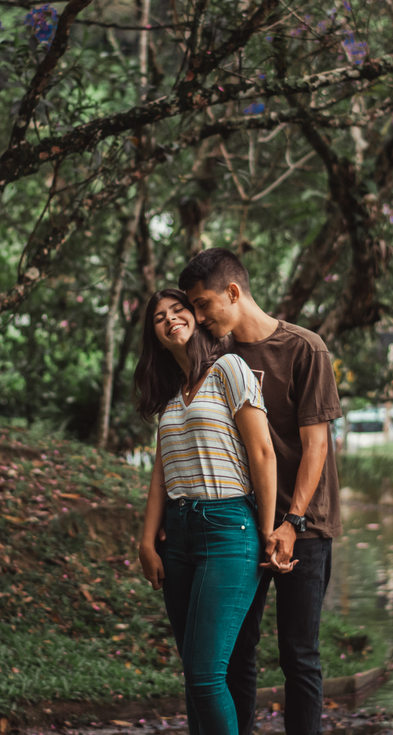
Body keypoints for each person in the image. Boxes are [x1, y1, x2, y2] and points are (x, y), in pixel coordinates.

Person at [179, 248, 343, 735]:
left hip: (304, 527)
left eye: (205, 305)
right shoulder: (216, 359)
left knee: (299, 655)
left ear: (234, 292)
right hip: (241, 528)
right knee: (237, 652)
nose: (201, 318)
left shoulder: (304, 348)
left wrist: (291, 523)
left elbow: (316, 447)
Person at [133, 288, 284, 735]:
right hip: (177, 537)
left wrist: (267, 529)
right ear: (155, 335)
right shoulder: (170, 396)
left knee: (205, 675)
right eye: (159, 317)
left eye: (178, 310)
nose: (170, 319)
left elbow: (262, 453)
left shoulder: (228, 369)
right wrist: (146, 540)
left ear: (196, 319)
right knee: (194, 678)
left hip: (229, 528)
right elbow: (161, 473)